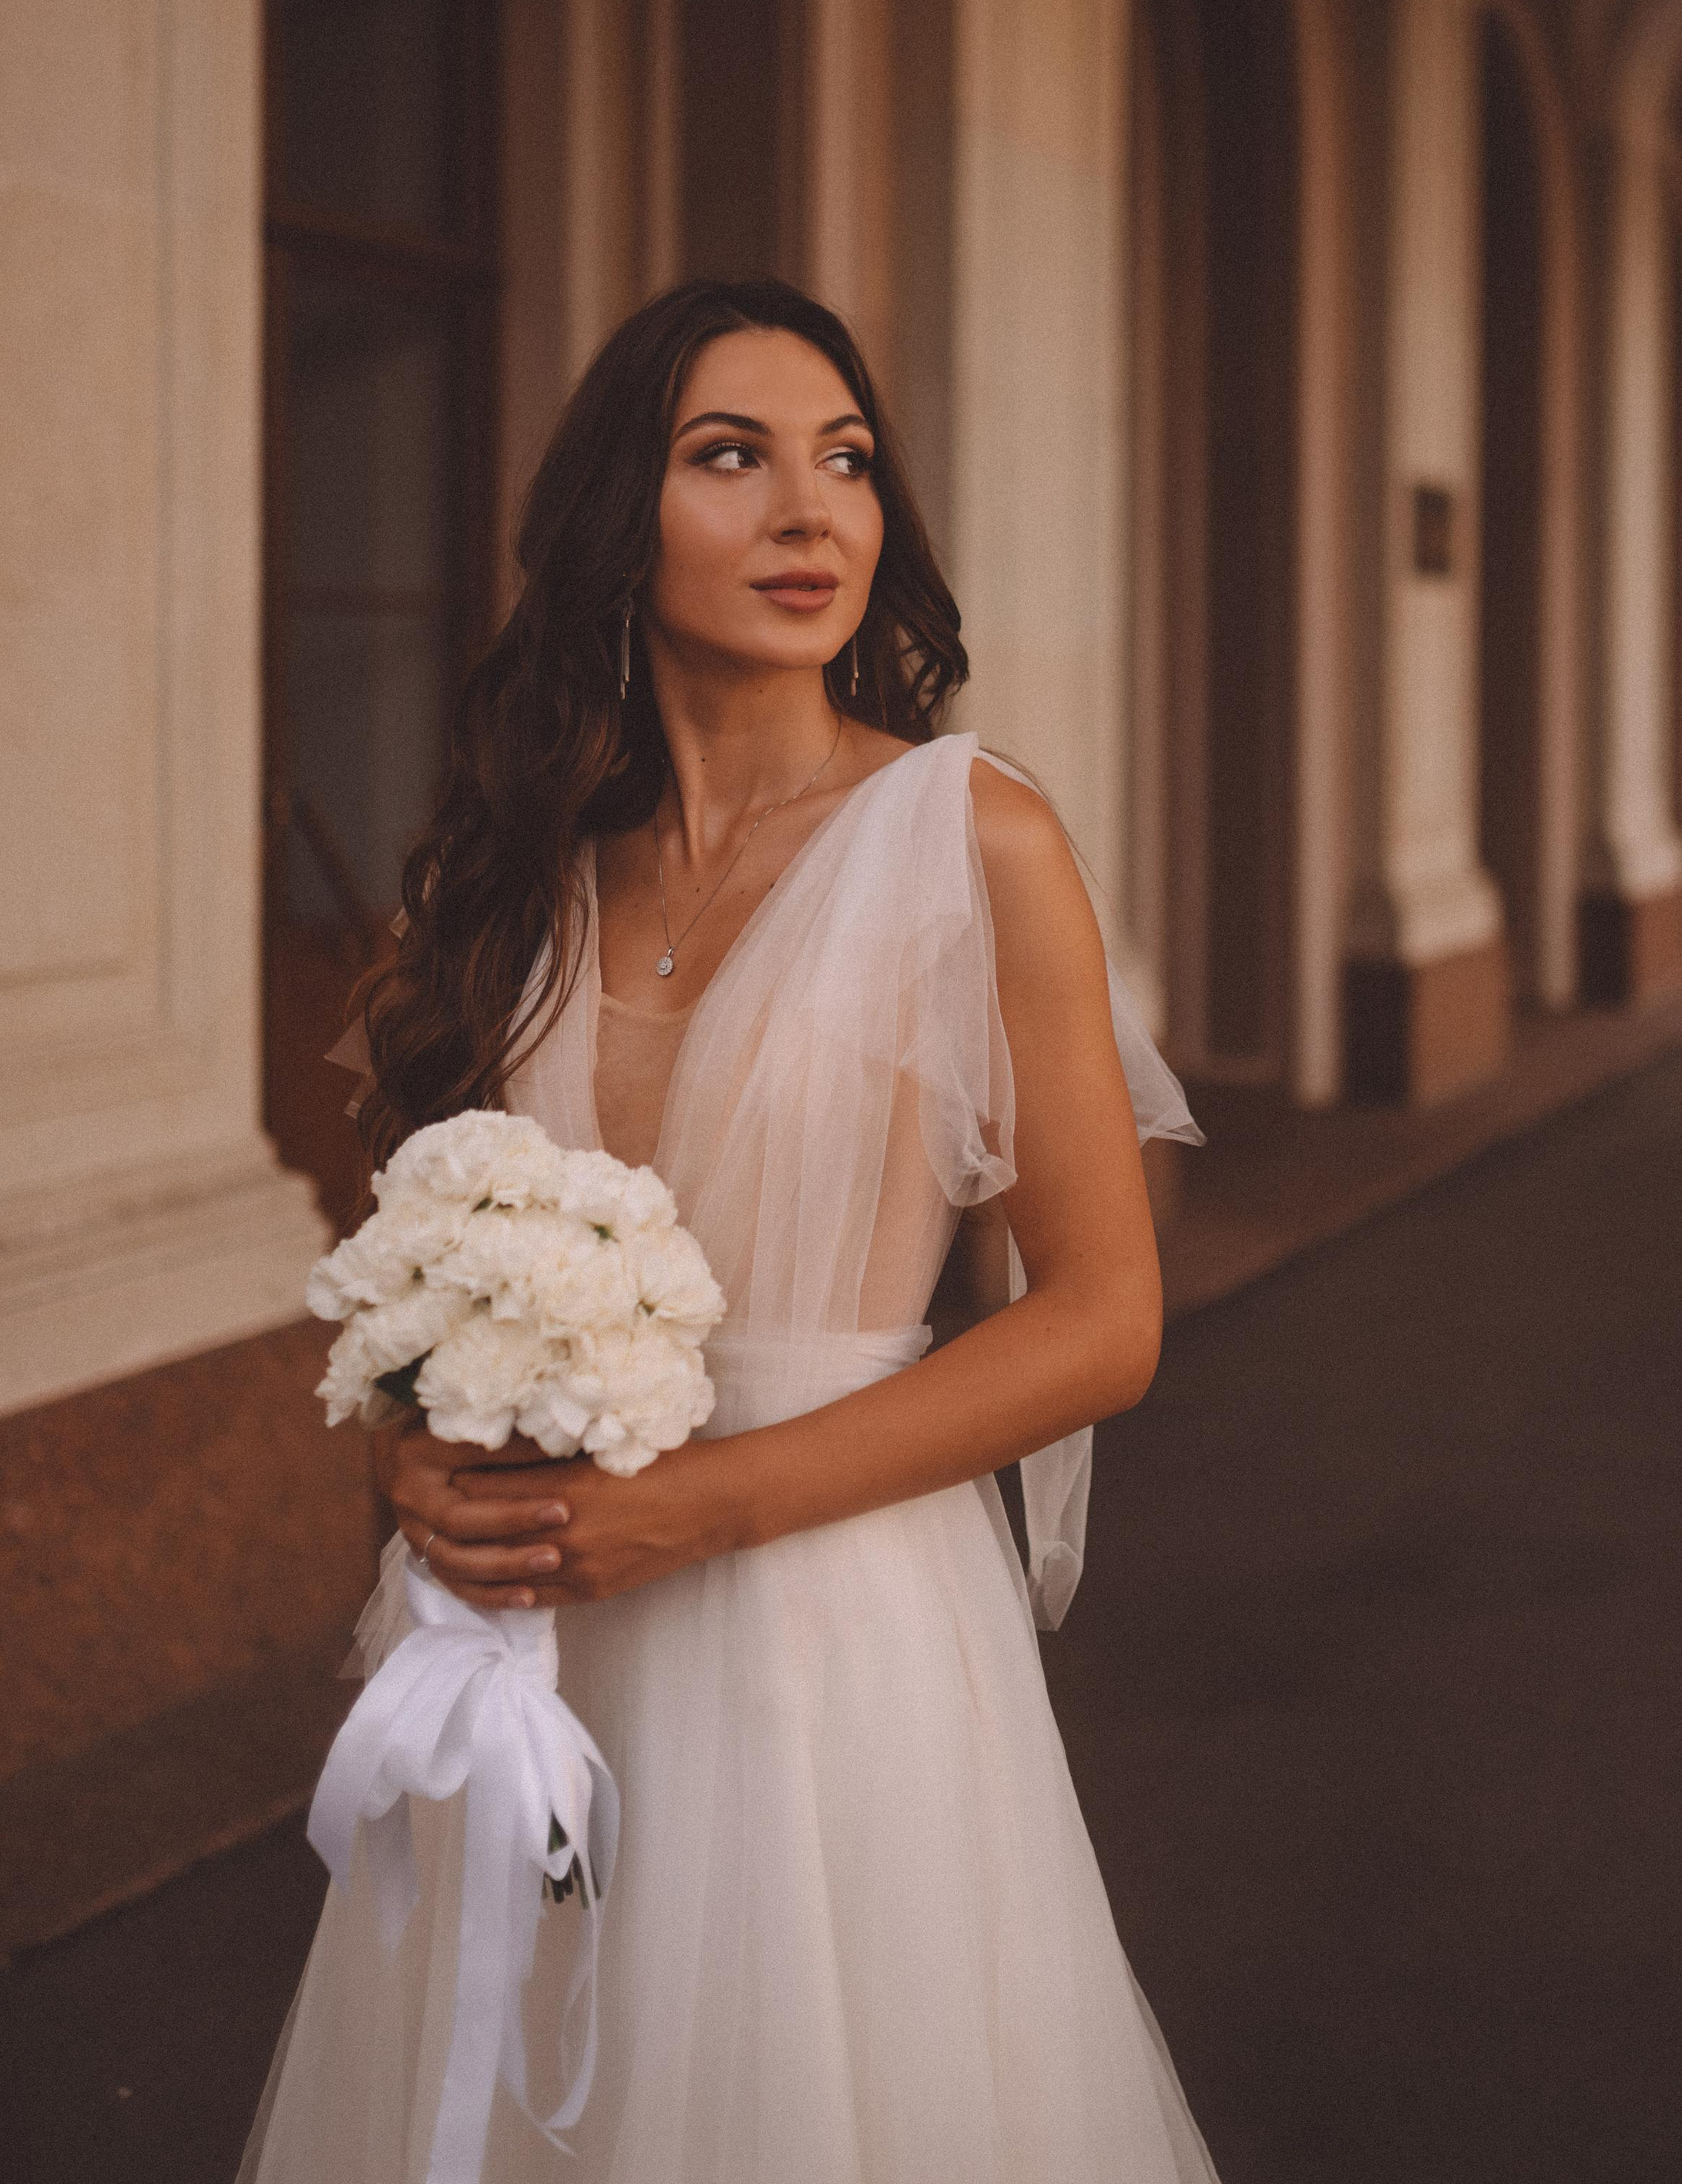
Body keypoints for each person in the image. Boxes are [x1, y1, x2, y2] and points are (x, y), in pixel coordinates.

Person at [240, 277, 1220, 2183]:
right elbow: (425, 1277)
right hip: (531, 1638)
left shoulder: (972, 836)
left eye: (845, 460)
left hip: (829, 1624)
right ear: (620, 514)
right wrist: (419, 1447)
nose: (810, 512)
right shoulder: (523, 880)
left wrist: (701, 1509)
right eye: (730, 457)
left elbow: (1102, 1320)